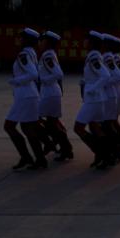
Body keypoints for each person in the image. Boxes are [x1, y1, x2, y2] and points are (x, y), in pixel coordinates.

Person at [4, 27, 48, 170]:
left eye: (21, 37)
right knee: (27, 128)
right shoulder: (31, 53)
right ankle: (38, 159)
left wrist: (16, 81)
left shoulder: (24, 54)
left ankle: (28, 157)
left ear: (27, 40)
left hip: (25, 95)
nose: (19, 39)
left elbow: (33, 74)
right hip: (28, 95)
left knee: (9, 126)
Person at [75, 31, 111, 169]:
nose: (84, 42)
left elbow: (105, 75)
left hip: (94, 99)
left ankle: (101, 153)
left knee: (78, 128)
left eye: (86, 40)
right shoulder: (92, 56)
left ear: (92, 43)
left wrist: (92, 88)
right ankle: (103, 156)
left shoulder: (94, 56)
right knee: (95, 128)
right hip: (97, 99)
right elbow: (96, 76)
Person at [37, 30, 73, 161]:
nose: (39, 43)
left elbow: (58, 74)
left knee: (34, 120)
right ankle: (66, 149)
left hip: (49, 92)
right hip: (50, 92)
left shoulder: (47, 56)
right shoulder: (48, 54)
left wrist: (43, 80)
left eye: (41, 40)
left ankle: (51, 144)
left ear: (47, 42)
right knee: (52, 123)